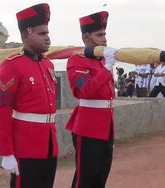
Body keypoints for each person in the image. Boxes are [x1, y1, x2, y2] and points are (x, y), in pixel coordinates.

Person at [0, 3, 58, 188]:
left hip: (49, 145)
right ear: (26, 34)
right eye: (42, 33)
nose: (47, 38)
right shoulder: (12, 66)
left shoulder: (48, 65)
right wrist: (7, 152)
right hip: (26, 147)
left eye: (47, 32)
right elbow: (2, 110)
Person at [66, 11, 116, 188]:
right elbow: (84, 90)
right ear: (87, 36)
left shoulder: (101, 60)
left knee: (100, 176)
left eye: (104, 34)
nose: (104, 39)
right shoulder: (76, 60)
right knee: (85, 179)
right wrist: (108, 67)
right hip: (88, 127)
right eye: (99, 34)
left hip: (105, 126)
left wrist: (106, 64)